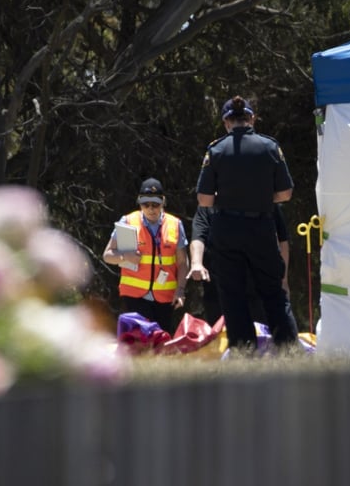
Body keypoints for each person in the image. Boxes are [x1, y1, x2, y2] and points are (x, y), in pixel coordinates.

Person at [196, 96, 299, 352]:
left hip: (227, 229)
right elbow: (286, 193)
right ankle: (287, 349)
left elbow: (204, 199)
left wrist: (230, 198)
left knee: (233, 294)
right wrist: (260, 198)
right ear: (251, 118)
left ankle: (245, 353)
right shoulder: (269, 147)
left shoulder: (216, 150)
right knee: (273, 291)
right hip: (261, 226)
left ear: (226, 122)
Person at [101, 177, 189, 335]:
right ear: (139, 202)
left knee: (161, 342)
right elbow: (107, 255)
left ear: (163, 202)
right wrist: (125, 256)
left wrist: (180, 290)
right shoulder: (128, 221)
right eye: (145, 204)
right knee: (139, 342)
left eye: (155, 204)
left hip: (165, 297)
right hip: (134, 296)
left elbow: (183, 262)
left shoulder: (175, 224)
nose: (151, 209)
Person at [189, 203, 291, 326]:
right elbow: (198, 236)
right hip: (218, 286)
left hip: (256, 284)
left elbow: (282, 240)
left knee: (260, 334)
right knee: (220, 337)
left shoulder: (264, 199)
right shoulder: (207, 204)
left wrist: (284, 280)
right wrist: (196, 263)